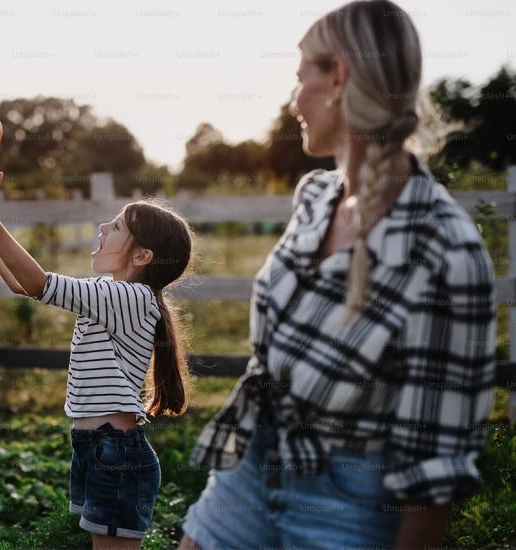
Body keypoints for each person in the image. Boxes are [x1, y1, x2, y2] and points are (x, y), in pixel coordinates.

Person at [178, 1, 497, 548]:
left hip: (348, 503)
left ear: (338, 78)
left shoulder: (446, 250)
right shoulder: (316, 198)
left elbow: (431, 481)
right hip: (250, 470)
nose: (294, 98)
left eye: (300, 75)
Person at [0, 161, 194, 548]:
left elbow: (37, 282)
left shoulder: (128, 296)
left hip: (115, 451)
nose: (103, 227)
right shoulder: (110, 293)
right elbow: (22, 284)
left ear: (142, 256)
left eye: (117, 226)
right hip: (97, 446)